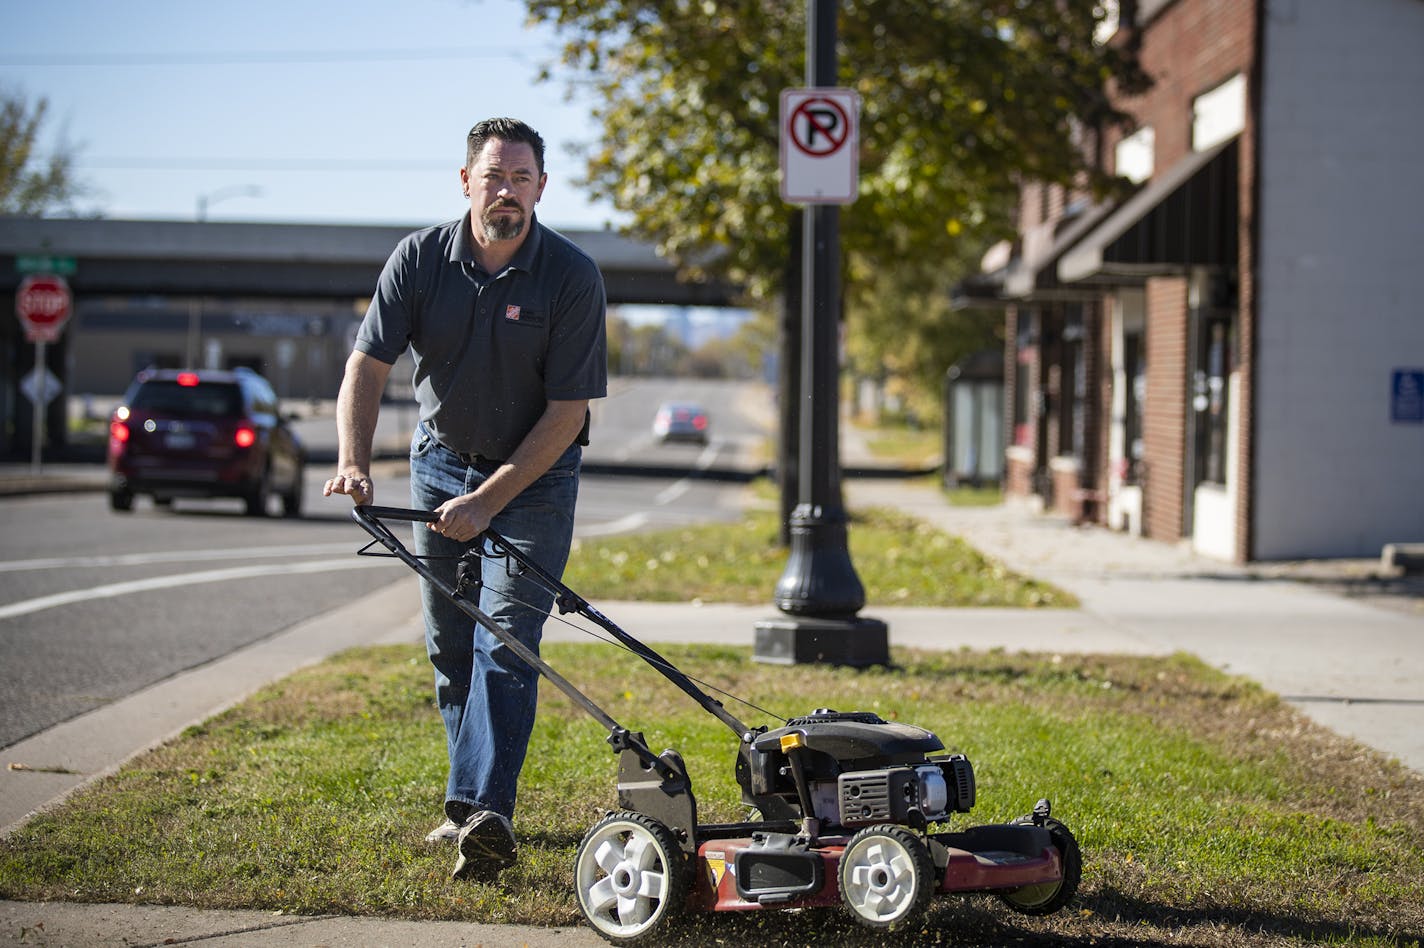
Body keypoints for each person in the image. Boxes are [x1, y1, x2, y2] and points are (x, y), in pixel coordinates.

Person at [323, 117, 607, 882]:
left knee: (506, 638)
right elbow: (367, 367)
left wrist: (489, 500)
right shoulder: (419, 260)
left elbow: (567, 412)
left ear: (541, 188)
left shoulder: (572, 276)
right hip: (440, 463)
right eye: (493, 176)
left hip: (535, 479)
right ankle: (465, 806)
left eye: (521, 177)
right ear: (465, 182)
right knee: (452, 644)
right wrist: (353, 460)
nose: (506, 190)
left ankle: (486, 815)